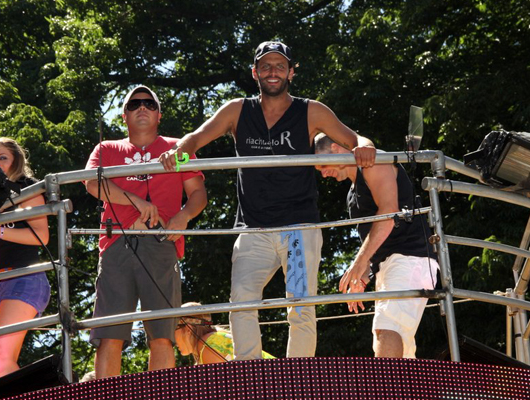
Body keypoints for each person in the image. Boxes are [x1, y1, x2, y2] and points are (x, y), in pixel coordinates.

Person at [159, 41, 376, 360]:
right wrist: (178, 152)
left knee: (301, 307)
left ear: (291, 72)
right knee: (241, 304)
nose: (272, 72)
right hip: (253, 230)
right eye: (265, 66)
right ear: (254, 72)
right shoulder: (237, 110)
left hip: (298, 229)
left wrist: (366, 147)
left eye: (279, 65)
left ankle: (296, 380)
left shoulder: (310, 110)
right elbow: (195, 138)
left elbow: (355, 138)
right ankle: (249, 378)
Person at [85, 85, 207, 378]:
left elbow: (198, 192)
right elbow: (91, 182)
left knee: (162, 334)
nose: (142, 107)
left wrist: (183, 217)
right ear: (124, 116)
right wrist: (136, 201)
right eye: (135, 104)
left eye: (149, 104)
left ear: (159, 114)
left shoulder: (177, 147)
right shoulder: (106, 148)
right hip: (116, 244)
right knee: (109, 334)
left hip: (161, 243)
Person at [314, 133, 439, 358]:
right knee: (397, 342)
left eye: (323, 165)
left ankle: (385, 393)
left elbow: (388, 214)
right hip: (392, 265)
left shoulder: (373, 163)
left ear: (336, 148)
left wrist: (358, 264)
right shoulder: (352, 194)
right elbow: (377, 241)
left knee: (387, 328)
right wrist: (364, 275)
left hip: (411, 258)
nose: (323, 174)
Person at [0, 137, 51, 380]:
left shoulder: (25, 189)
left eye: (3, 158)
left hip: (25, 277)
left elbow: (42, 236)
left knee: (0, 357)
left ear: (16, 161)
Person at [175, 302, 275, 364]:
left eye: (173, 329)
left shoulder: (207, 346)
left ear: (188, 329)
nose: (172, 338)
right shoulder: (212, 340)